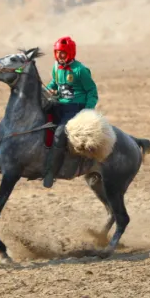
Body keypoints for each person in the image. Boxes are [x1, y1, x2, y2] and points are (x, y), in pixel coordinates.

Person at [43, 36, 99, 188]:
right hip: (59, 105)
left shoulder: (80, 70)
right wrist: (49, 89)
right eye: (57, 53)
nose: (60, 56)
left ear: (70, 53)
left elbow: (92, 91)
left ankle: (51, 172)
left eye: (63, 53)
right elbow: (54, 83)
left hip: (75, 108)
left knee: (60, 133)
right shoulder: (56, 67)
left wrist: (87, 111)